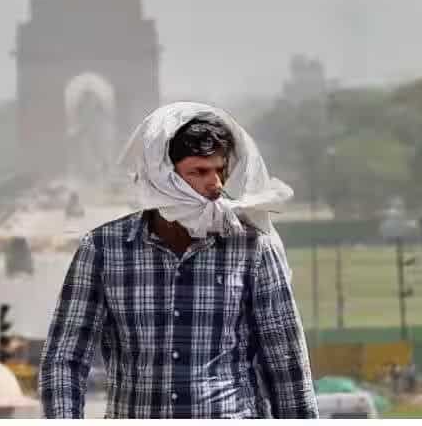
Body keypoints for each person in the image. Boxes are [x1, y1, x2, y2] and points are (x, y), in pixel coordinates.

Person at [39, 102, 318, 419]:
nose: (216, 185)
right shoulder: (104, 250)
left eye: (220, 170)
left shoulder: (252, 248)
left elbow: (286, 362)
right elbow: (65, 359)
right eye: (199, 172)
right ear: (163, 176)